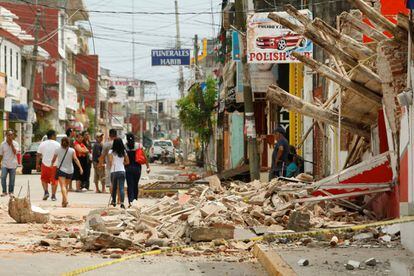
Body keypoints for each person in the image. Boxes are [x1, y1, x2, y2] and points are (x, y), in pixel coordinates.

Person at [52, 137, 83, 207]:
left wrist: (51, 164)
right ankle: (63, 202)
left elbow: (54, 159)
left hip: (61, 170)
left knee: (62, 186)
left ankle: (65, 200)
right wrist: (80, 168)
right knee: (66, 186)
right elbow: (76, 159)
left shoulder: (57, 150)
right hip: (70, 170)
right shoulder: (72, 150)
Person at [125, 133, 150, 207]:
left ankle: (130, 202)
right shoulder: (139, 146)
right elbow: (145, 156)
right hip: (137, 168)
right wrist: (148, 167)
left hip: (127, 168)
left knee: (130, 185)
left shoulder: (125, 146)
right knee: (135, 185)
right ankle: (135, 201)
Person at [36, 130, 61, 201]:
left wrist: (37, 164)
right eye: (55, 135)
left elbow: (38, 155)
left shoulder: (42, 144)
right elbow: (60, 155)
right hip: (55, 165)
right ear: (52, 136)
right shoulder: (57, 144)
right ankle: (53, 196)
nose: (56, 137)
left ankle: (46, 192)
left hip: (44, 164)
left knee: (44, 179)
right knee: (54, 181)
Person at [109, 138, 129, 208]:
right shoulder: (124, 151)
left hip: (114, 171)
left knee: (114, 188)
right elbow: (128, 162)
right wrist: (122, 163)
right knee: (121, 188)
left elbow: (111, 162)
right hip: (122, 171)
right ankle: (122, 203)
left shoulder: (111, 151)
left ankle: (114, 201)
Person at [0, 130, 19, 197]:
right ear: (6, 136)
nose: (10, 136)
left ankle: (11, 192)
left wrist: (12, 145)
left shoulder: (16, 143)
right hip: (5, 164)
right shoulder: (3, 144)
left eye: (11, 135)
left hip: (13, 164)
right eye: (8, 135)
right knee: (3, 177)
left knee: (12, 179)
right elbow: (1, 155)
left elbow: (15, 152)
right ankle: (4, 191)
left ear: (13, 136)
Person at [100, 129, 117, 193]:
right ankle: (119, 199)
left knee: (111, 184)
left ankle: (113, 199)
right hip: (119, 167)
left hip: (109, 167)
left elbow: (102, 156)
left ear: (109, 135)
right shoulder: (120, 143)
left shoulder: (106, 145)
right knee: (118, 184)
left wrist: (100, 164)